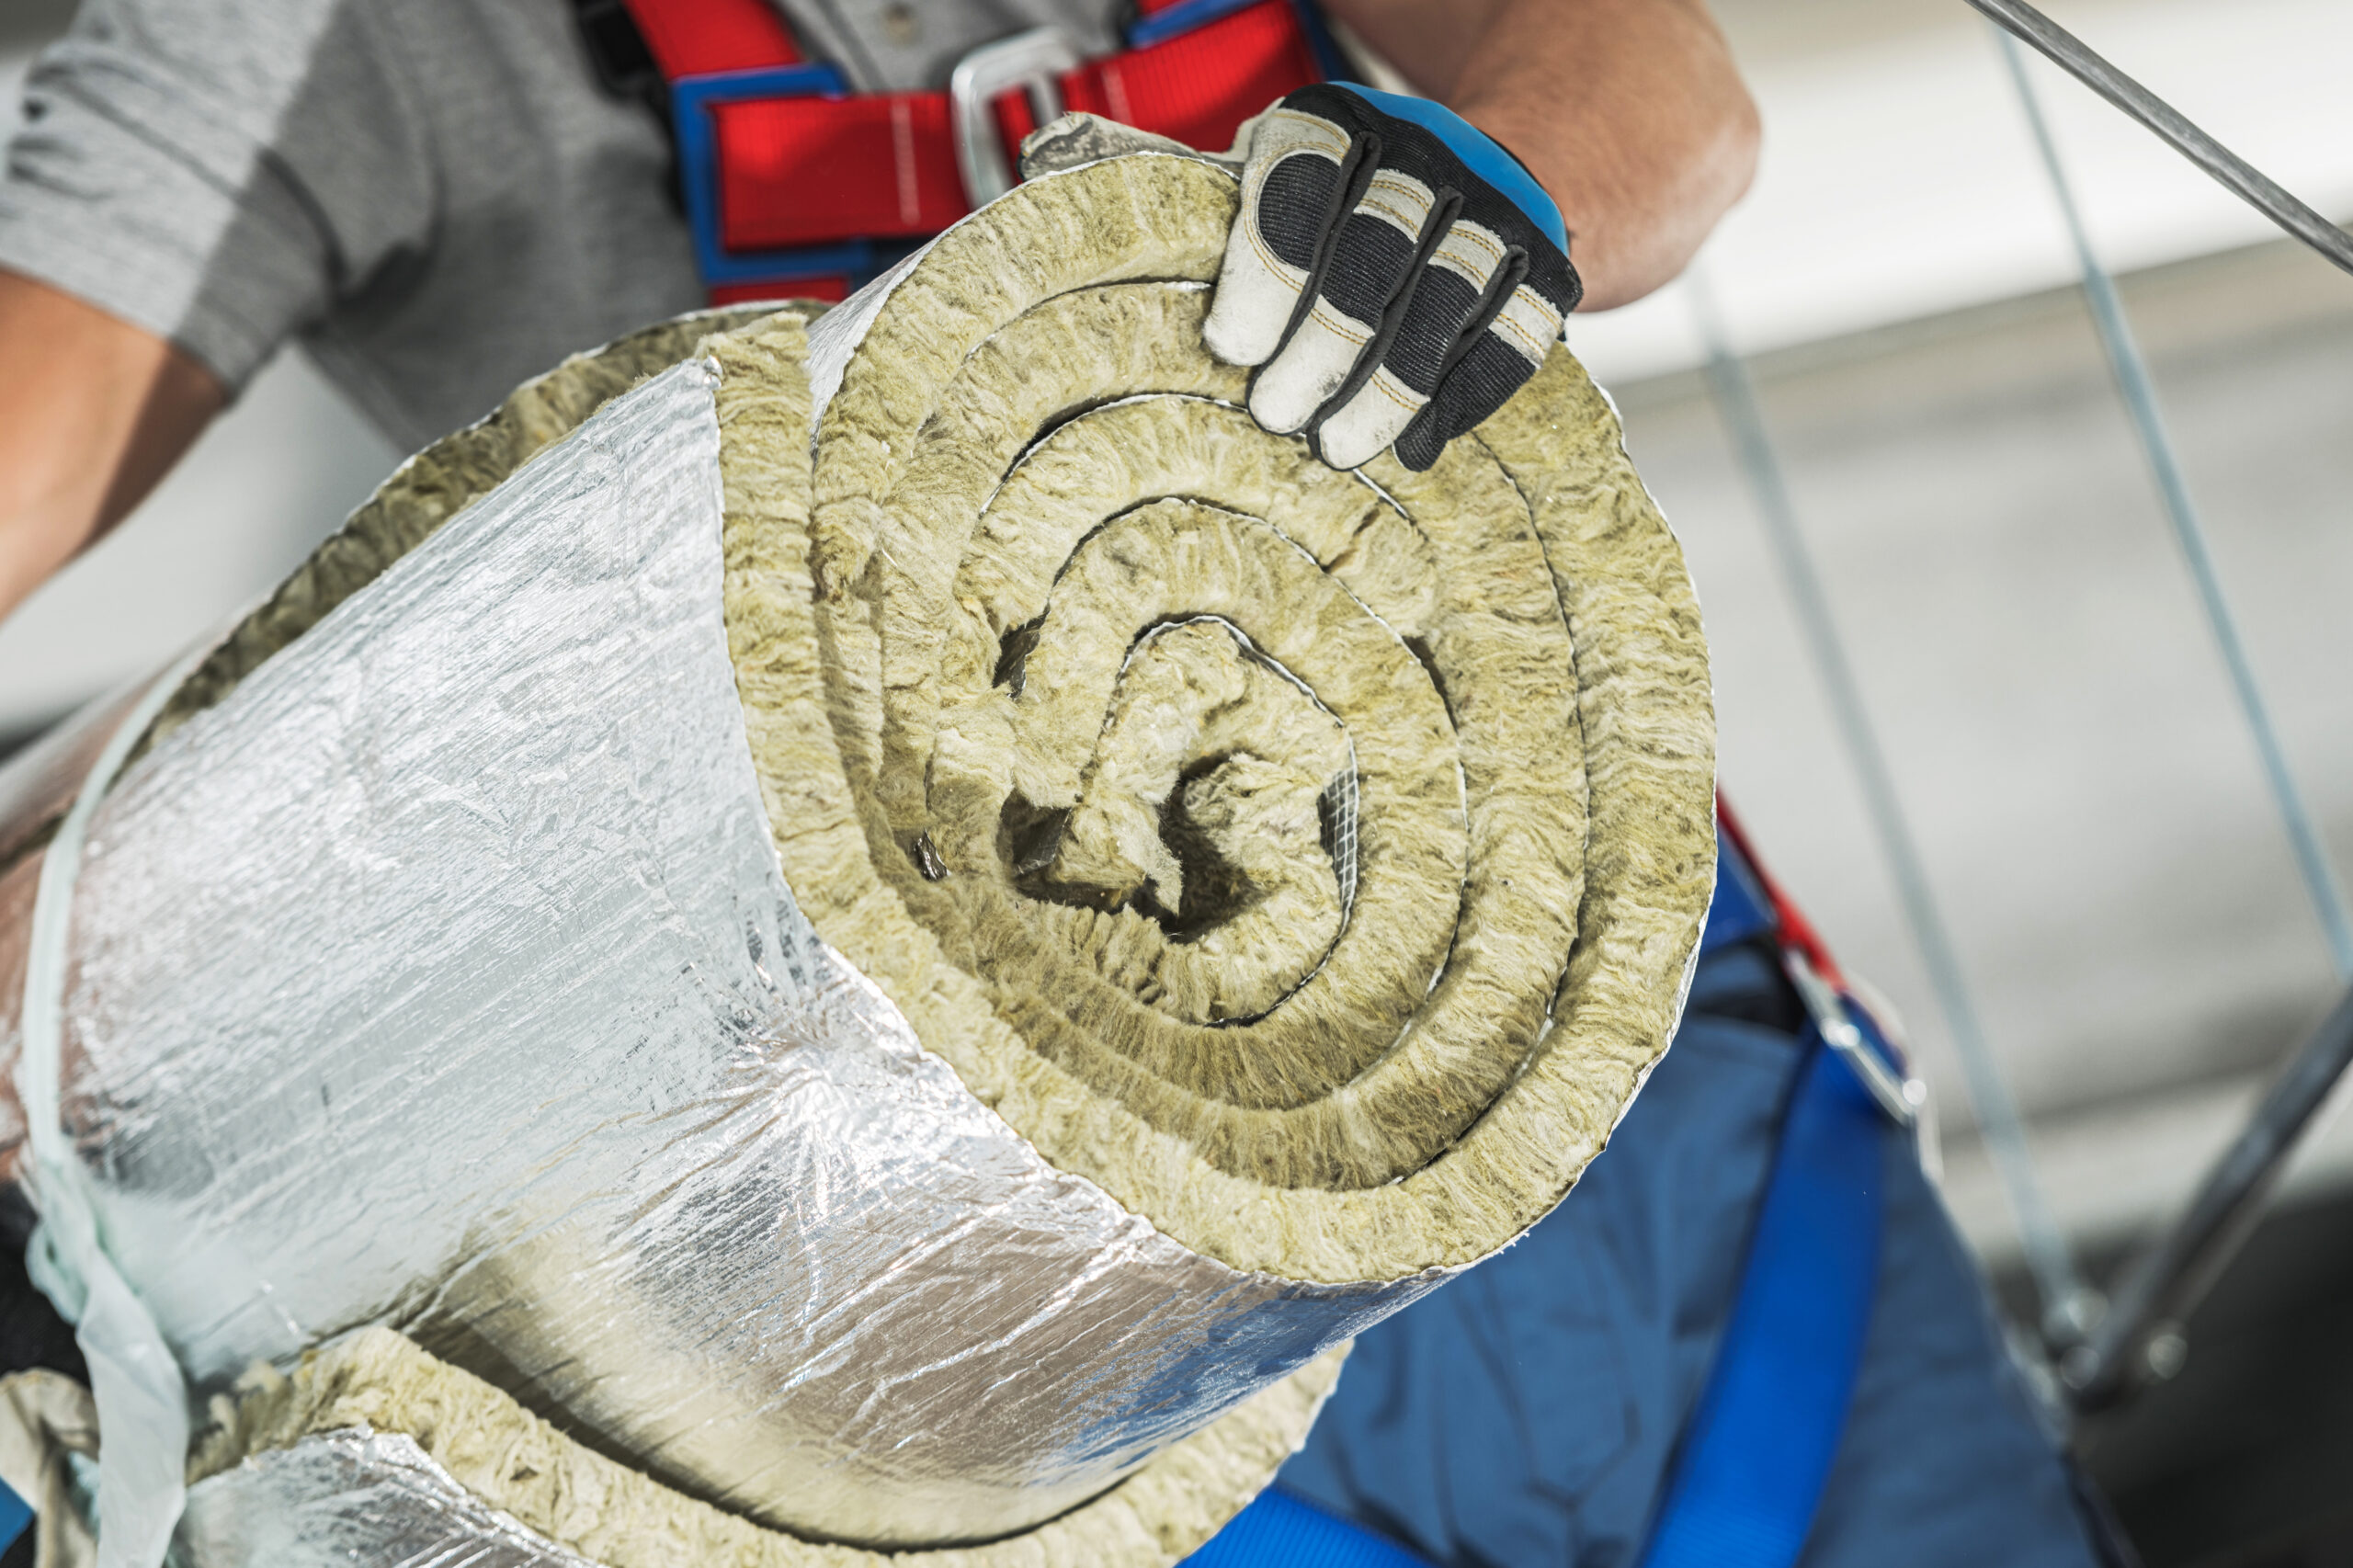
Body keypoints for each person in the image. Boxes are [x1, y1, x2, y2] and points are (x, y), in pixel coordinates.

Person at [0, 2, 2128, 1564]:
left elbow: (1665, 97)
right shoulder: (316, 43)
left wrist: (1497, 183)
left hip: (1626, 1110)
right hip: (1003, 1338)